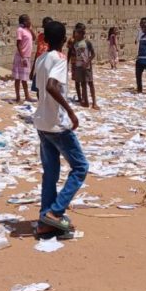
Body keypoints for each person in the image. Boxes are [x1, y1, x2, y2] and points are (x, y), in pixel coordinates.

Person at [33, 20, 88, 237]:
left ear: (44, 39)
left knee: (51, 172)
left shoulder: (40, 59)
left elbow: (40, 89)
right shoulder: (59, 59)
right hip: (57, 124)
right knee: (81, 167)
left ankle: (45, 219)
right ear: (64, 40)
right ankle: (55, 213)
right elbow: (51, 87)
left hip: (42, 122)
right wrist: (71, 111)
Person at [70, 23, 97, 109]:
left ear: (82, 34)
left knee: (90, 83)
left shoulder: (87, 42)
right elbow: (72, 54)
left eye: (77, 33)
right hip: (78, 66)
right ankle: (86, 101)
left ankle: (94, 102)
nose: (76, 35)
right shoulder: (75, 43)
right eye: (75, 33)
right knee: (83, 84)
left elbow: (93, 54)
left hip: (87, 67)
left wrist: (87, 62)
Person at [13, 14, 34, 103]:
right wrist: (22, 57)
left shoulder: (27, 30)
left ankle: (27, 96)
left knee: (24, 78)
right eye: (28, 20)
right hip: (21, 57)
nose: (30, 21)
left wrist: (31, 29)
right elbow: (18, 44)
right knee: (18, 78)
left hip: (27, 57)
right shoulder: (20, 30)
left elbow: (35, 38)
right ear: (24, 22)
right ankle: (18, 97)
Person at [30, 17, 53, 95]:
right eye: (46, 26)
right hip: (40, 66)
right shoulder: (40, 36)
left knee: (48, 89)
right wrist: (33, 70)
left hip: (49, 67)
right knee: (38, 90)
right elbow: (37, 53)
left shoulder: (54, 38)